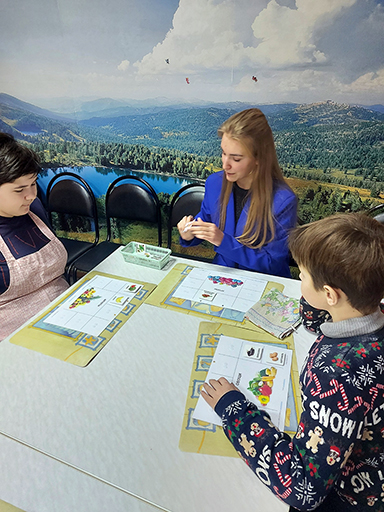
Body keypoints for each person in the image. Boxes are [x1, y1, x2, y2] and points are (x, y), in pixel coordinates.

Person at [201, 213, 384, 511]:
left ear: (329, 294)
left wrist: (235, 412)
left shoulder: (337, 375)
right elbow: (321, 313)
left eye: (303, 275)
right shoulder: (371, 309)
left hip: (348, 499)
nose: (299, 278)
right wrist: (316, 299)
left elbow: (302, 487)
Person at [177, 108, 297, 278]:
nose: (225, 164)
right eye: (223, 153)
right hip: (222, 277)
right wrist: (188, 233)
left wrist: (223, 241)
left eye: (236, 159)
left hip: (262, 282)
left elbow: (273, 264)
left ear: (259, 159)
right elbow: (204, 222)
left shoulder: (283, 201)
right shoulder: (214, 183)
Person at [0, 133, 69, 340]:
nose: (31, 195)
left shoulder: (34, 208)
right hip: (18, 340)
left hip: (68, 314)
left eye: (33, 184)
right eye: (20, 189)